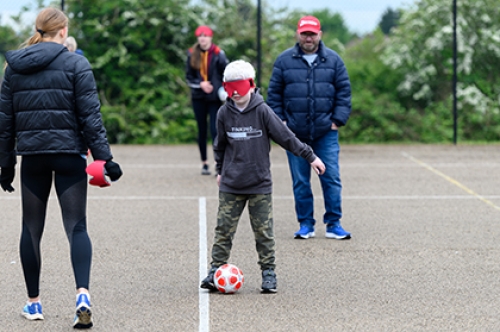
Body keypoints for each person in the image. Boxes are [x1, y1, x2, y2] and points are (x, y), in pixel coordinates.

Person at [0, 7, 122, 329]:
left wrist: (5, 163)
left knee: (31, 229)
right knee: (77, 227)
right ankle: (82, 295)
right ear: (63, 31)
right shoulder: (76, 63)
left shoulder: (13, 68)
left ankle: (34, 304)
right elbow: (90, 117)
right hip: (70, 156)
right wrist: (105, 158)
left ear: (39, 30)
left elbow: (5, 122)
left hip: (34, 158)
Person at [200, 60, 325, 293]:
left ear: (251, 84)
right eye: (230, 88)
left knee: (264, 232)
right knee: (223, 230)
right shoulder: (223, 113)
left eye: (240, 87)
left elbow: (286, 137)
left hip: (259, 184)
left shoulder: (262, 111)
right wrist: (220, 170)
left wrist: (310, 156)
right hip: (231, 184)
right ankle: (214, 270)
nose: (235, 93)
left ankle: (269, 273)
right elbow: (220, 145)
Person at [267, 15, 352, 240]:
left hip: (326, 133)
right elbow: (273, 95)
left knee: (331, 177)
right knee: (301, 181)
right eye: (304, 33)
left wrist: (337, 120)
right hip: (294, 135)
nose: (308, 37)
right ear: (298, 34)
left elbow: (344, 92)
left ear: (319, 35)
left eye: (312, 33)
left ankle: (333, 223)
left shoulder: (334, 60)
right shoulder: (284, 61)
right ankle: (306, 224)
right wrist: (281, 124)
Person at [186, 25, 228, 175]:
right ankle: (204, 163)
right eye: (200, 36)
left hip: (214, 98)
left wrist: (222, 90)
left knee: (216, 130)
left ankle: (218, 163)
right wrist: (200, 84)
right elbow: (189, 77)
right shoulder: (192, 54)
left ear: (211, 37)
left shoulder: (218, 53)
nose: (202, 39)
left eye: (205, 36)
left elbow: (226, 73)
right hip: (198, 97)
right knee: (201, 130)